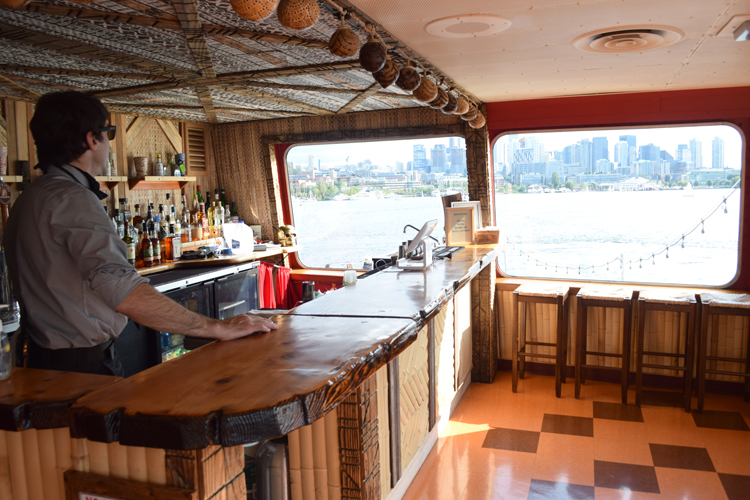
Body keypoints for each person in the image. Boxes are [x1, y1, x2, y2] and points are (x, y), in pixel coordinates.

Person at [4, 91, 277, 376]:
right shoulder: (72, 198)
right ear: (92, 139)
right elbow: (124, 291)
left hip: (39, 361)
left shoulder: (29, 197)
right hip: (82, 368)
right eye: (108, 133)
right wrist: (218, 327)